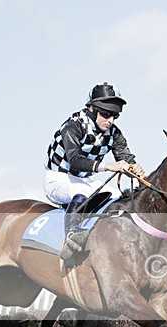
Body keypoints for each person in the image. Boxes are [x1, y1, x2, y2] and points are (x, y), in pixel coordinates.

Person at [44, 82, 145, 261]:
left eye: (114, 115)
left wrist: (136, 170)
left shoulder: (114, 133)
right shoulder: (73, 126)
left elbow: (126, 158)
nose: (110, 120)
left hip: (84, 180)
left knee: (116, 196)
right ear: (91, 108)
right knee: (81, 191)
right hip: (58, 179)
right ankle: (71, 237)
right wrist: (109, 166)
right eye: (106, 114)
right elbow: (75, 161)